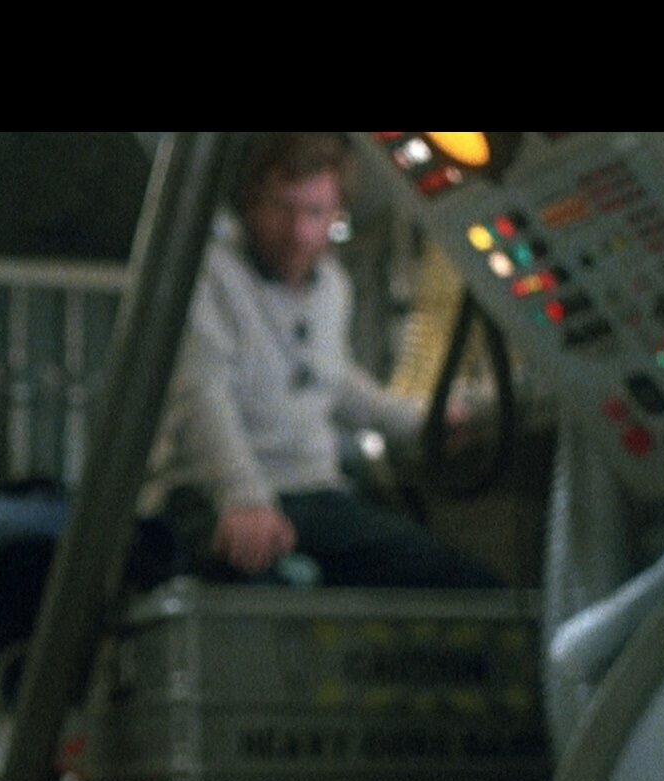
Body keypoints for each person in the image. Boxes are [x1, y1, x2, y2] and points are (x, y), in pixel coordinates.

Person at [144, 132, 501, 589]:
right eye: (282, 209)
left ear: (335, 213)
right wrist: (243, 498)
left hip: (315, 496)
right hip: (213, 493)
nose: (298, 232)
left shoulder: (332, 286)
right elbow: (202, 397)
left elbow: (334, 379)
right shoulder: (210, 275)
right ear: (250, 205)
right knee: (255, 590)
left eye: (314, 213)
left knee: (458, 579)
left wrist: (422, 423)